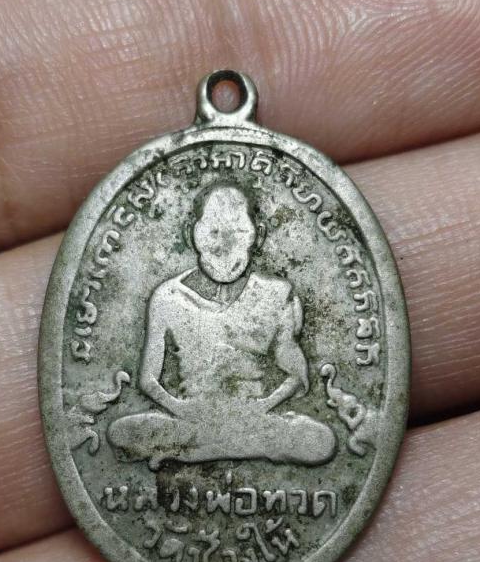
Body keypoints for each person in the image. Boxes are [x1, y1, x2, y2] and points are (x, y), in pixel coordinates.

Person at [108, 182, 336, 469]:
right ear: (191, 234)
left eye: (238, 231)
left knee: (320, 440)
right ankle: (230, 445)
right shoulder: (168, 297)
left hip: (253, 416)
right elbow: (148, 381)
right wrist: (182, 409)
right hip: (189, 416)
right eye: (214, 231)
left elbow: (296, 376)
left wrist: (260, 408)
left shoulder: (277, 294)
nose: (225, 244)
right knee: (121, 432)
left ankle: (193, 450)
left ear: (258, 235)